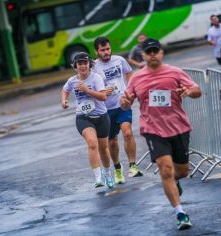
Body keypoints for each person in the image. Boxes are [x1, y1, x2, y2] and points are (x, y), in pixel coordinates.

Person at [120, 38, 201, 230]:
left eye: (156, 50)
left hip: (178, 127)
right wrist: (125, 101)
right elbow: (125, 102)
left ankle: (174, 182)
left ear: (161, 53)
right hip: (153, 129)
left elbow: (197, 90)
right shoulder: (137, 78)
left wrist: (189, 91)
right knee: (165, 169)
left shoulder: (175, 72)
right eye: (149, 52)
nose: (153, 54)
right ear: (143, 55)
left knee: (181, 171)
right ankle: (180, 213)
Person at [93, 36, 143, 185]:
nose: (106, 52)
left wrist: (130, 88)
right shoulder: (93, 67)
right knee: (112, 141)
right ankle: (117, 169)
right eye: (102, 50)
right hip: (105, 109)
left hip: (122, 104)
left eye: (108, 49)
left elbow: (129, 73)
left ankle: (133, 166)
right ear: (97, 51)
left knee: (127, 132)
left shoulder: (119, 60)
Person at [61, 52, 115, 189]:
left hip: (101, 116)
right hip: (83, 117)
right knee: (92, 143)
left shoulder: (96, 78)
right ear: (75, 66)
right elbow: (65, 89)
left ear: (90, 64)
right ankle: (98, 178)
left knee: (103, 148)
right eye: (80, 64)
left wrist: (86, 90)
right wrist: (64, 101)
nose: (83, 66)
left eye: (85, 63)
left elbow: (103, 97)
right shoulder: (72, 80)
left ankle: (108, 172)